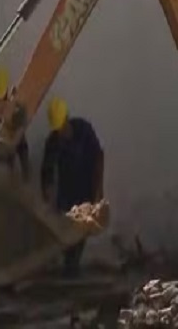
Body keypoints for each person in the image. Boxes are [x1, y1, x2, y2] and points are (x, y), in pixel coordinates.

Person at [41, 96, 105, 277]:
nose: (60, 132)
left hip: (86, 187)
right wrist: (47, 199)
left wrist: (98, 190)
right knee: (67, 232)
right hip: (66, 192)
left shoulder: (83, 131)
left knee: (82, 231)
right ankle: (70, 268)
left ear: (67, 119)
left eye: (62, 127)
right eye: (57, 129)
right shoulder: (53, 142)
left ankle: (72, 268)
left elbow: (99, 157)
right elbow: (46, 172)